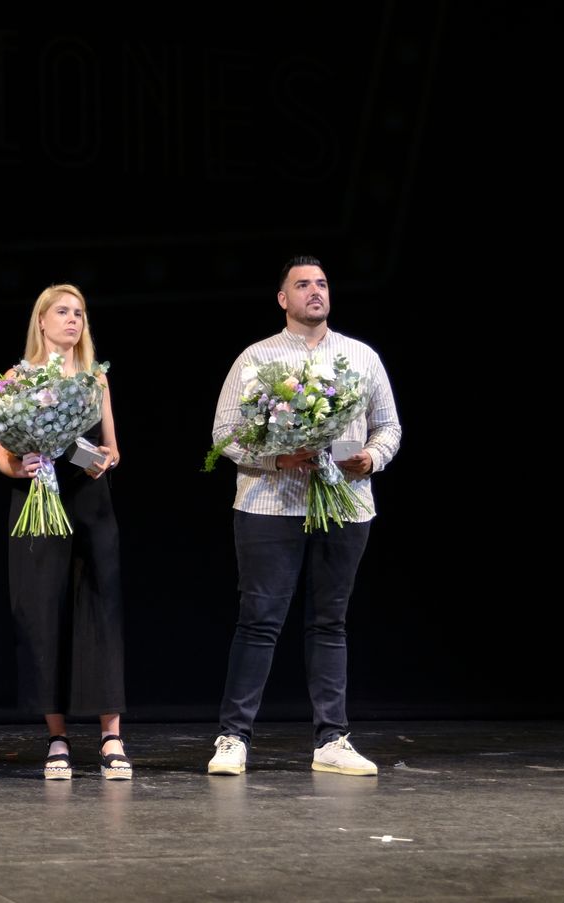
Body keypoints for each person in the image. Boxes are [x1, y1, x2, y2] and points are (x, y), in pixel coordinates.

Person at [205, 255, 402, 778]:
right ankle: (233, 738)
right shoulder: (257, 358)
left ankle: (331, 739)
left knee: (330, 623)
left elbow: (389, 427)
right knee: (259, 621)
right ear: (282, 299)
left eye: (321, 283)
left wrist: (371, 459)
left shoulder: (360, 357)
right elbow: (224, 435)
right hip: (270, 504)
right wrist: (275, 457)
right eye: (302, 285)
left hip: (346, 503)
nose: (314, 291)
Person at [0, 284, 131, 781]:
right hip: (38, 501)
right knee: (44, 612)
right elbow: (1, 457)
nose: (73, 321)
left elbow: (113, 448)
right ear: (42, 321)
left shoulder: (95, 379)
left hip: (90, 503)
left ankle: (111, 734)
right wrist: (23, 463)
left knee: (99, 610)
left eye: (80, 314)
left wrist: (102, 461)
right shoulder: (16, 378)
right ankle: (57, 737)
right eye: (64, 312)